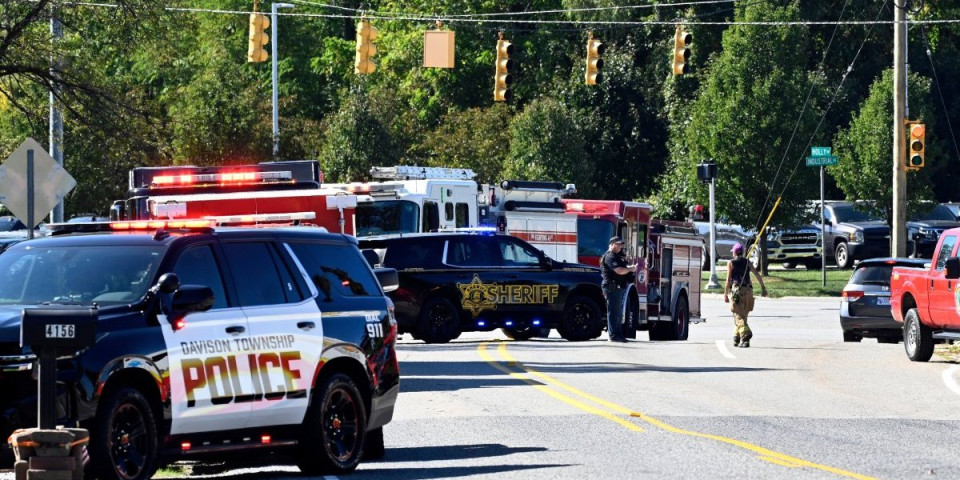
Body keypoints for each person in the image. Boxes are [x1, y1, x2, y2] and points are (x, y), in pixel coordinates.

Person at [724, 242, 767, 347]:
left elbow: (728, 280)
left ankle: (746, 334)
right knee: (743, 316)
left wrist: (725, 293)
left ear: (734, 252)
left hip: (737, 291)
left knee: (738, 315)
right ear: (742, 252)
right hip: (749, 291)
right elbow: (757, 274)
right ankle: (738, 338)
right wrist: (763, 287)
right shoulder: (747, 262)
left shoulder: (731, 263)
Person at [600, 236, 637, 343]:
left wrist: (630, 267)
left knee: (618, 313)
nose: (620, 246)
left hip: (618, 287)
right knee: (613, 312)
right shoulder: (609, 256)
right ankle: (613, 335)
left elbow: (623, 268)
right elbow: (619, 271)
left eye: (621, 244)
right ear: (611, 245)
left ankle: (618, 334)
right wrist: (630, 269)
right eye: (618, 244)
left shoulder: (616, 256)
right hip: (612, 287)